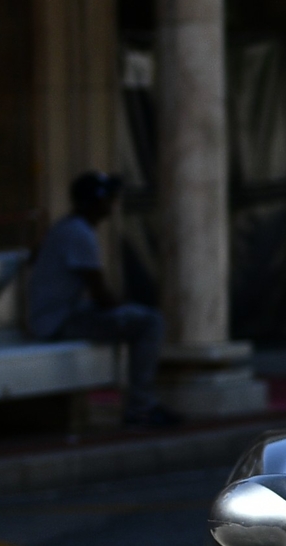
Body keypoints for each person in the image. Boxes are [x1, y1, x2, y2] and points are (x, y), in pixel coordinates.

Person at [27, 172, 176, 429]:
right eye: (108, 198)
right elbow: (102, 296)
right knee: (150, 322)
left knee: (139, 318)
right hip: (56, 321)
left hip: (56, 314)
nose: (112, 204)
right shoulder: (78, 232)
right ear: (93, 202)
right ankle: (141, 408)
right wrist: (127, 306)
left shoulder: (66, 226)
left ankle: (142, 404)